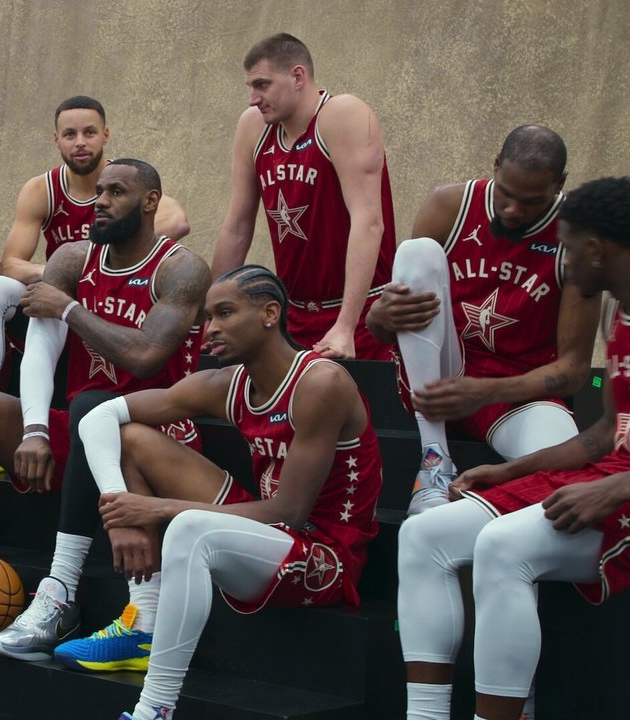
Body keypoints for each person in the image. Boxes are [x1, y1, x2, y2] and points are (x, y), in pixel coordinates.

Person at [0, 160, 210, 665]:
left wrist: (69, 309)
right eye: (100, 192)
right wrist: (36, 429)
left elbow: (146, 356)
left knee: (94, 408)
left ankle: (60, 591)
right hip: (84, 431)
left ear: (151, 201)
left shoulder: (180, 268)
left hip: (154, 439)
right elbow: (44, 340)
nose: (101, 201)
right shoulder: (72, 257)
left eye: (116, 192)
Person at [397, 176, 630, 720]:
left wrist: (615, 488)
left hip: (621, 490)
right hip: (613, 474)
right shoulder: (617, 311)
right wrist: (510, 472)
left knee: (503, 546)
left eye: (567, 248)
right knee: (423, 536)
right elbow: (604, 432)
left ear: (596, 251)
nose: (562, 263)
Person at [106, 265, 382, 720]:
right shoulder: (229, 383)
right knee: (132, 439)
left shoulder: (321, 382)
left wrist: (154, 509)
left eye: (225, 313)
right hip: (267, 528)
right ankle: (143, 619)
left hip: (323, 554)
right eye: (207, 316)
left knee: (189, 529)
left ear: (270, 314)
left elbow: (290, 511)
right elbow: (101, 416)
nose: (210, 328)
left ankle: (154, 709)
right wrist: (123, 517)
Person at [368, 126, 600, 516]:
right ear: (495, 165)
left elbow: (575, 370)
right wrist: (379, 317)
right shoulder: (450, 206)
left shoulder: (577, 238)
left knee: (567, 476)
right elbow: (390, 327)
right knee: (417, 253)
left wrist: (485, 392)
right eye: (506, 193)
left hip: (518, 391)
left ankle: (481, 519)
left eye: (531, 201)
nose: (513, 210)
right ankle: (433, 463)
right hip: (443, 373)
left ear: (559, 184)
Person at [0, 95, 191, 390]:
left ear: (105, 135)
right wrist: (61, 270)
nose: (80, 143)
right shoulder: (41, 189)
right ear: (57, 140)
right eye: (70, 135)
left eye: (90, 133)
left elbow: (177, 221)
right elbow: (10, 265)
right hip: (63, 293)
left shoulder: (125, 180)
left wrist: (98, 257)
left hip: (115, 298)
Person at [212, 32, 396, 360]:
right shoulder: (254, 127)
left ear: (298, 77)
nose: (253, 99)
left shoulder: (342, 115)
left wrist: (345, 326)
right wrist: (211, 317)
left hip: (362, 313)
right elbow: (237, 226)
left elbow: (368, 221)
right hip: (293, 314)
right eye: (251, 87)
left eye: (262, 85)